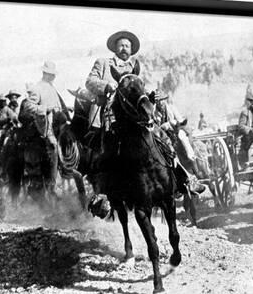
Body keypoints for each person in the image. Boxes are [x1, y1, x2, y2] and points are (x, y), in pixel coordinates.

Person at [85, 30, 204, 197]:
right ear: (115, 48)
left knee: (164, 139)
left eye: (127, 46)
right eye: (121, 45)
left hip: (135, 117)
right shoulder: (103, 63)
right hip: (110, 115)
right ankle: (103, 195)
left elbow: (140, 92)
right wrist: (106, 86)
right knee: (107, 152)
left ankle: (185, 178)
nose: (124, 48)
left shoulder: (134, 67)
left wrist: (151, 97)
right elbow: (90, 81)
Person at [18, 61, 67, 194]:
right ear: (44, 73)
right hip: (46, 126)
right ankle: (52, 183)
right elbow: (29, 106)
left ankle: (68, 171)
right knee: (53, 146)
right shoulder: (37, 88)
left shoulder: (52, 88)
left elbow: (59, 105)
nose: (52, 76)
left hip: (58, 124)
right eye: (49, 74)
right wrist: (44, 109)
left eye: (53, 74)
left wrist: (65, 109)